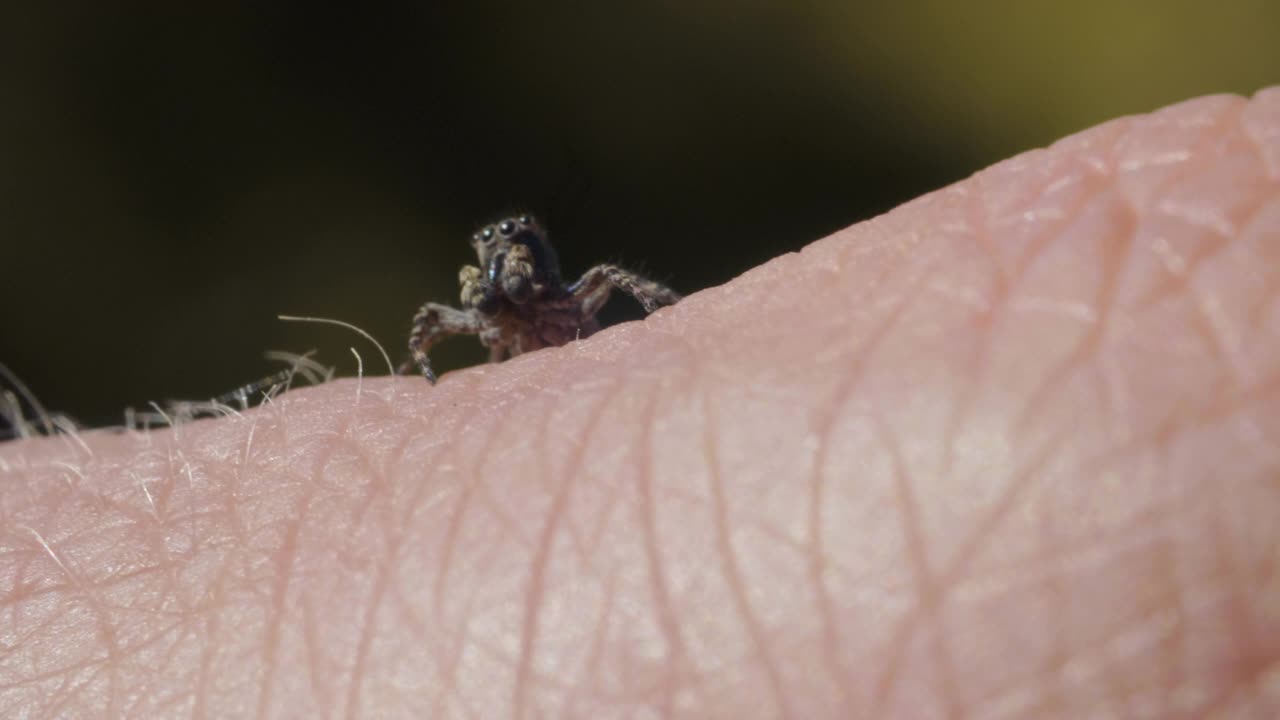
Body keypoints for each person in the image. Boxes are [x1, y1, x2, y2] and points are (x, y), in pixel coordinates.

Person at [2, 89, 1277, 718]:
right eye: (494, 268)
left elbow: (601, 288)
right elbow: (446, 320)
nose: (503, 274)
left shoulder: (565, 289)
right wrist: (413, 393)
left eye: (515, 263)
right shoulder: (487, 305)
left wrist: (672, 336)